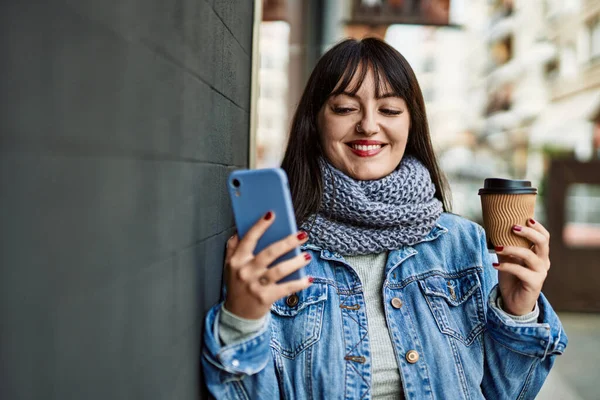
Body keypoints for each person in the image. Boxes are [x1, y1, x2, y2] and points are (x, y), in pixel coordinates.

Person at [202, 38, 567, 399]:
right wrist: (241, 321)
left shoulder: (464, 244)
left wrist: (518, 312)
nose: (368, 126)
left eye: (390, 110)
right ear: (314, 123)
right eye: (345, 108)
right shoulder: (274, 249)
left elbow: (509, 394)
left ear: (411, 125)